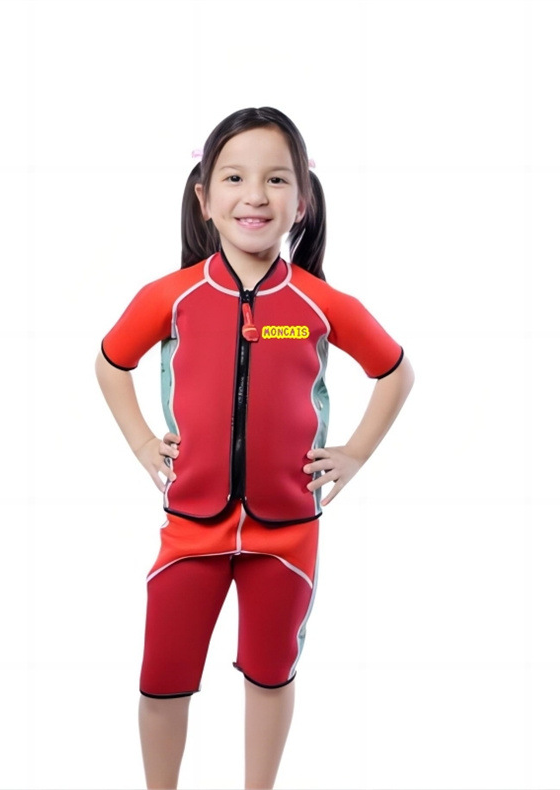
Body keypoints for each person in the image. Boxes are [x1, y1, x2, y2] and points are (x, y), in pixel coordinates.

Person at [95, 106, 414, 790]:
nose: (256, 195)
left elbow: (395, 371)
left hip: (288, 532)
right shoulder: (171, 297)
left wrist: (355, 453)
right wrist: (143, 441)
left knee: (270, 675)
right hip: (192, 527)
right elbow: (110, 361)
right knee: (163, 679)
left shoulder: (319, 304)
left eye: (276, 179)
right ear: (204, 198)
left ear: (302, 200)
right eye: (235, 177)